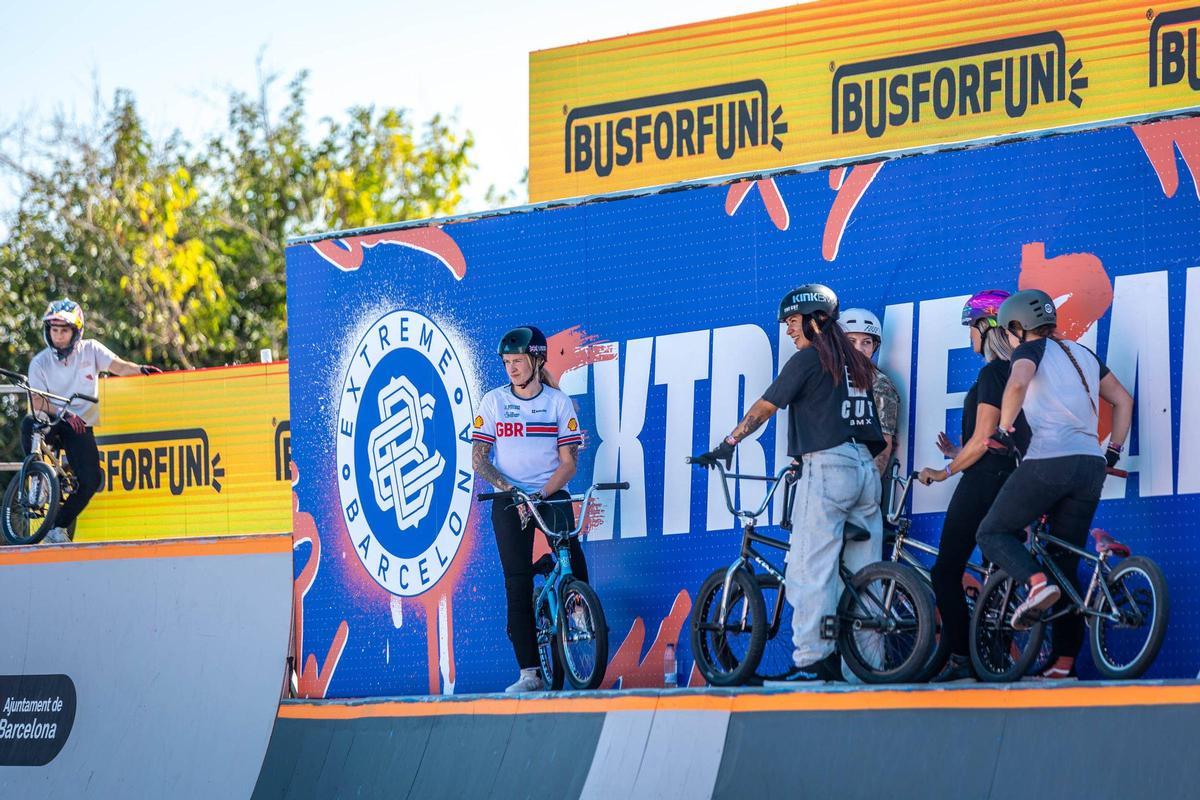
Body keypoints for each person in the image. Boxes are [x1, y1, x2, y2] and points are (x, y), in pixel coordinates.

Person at [697, 285, 885, 682]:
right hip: (865, 471)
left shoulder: (808, 359)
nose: (787, 330)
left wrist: (728, 443)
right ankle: (866, 669)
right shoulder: (855, 363)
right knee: (865, 576)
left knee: (808, 571)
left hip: (828, 467)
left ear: (815, 319)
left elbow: (765, 407)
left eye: (792, 321)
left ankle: (812, 661)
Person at [975, 289, 1133, 679]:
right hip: (1091, 466)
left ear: (1016, 328)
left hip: (1049, 458)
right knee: (1065, 561)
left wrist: (1006, 428)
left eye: (1008, 332)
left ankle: (1034, 582)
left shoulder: (1029, 350)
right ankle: (1063, 663)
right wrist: (1112, 452)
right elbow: (1123, 400)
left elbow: (1016, 385)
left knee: (993, 531)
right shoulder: (1082, 354)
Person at [915, 289, 1029, 682]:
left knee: (945, 572)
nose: (969, 337)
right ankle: (993, 658)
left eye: (972, 327)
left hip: (983, 481)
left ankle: (964, 657)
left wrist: (944, 472)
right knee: (994, 574)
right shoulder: (1020, 372)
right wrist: (958, 451)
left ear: (987, 327)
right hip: (1013, 481)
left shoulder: (992, 373)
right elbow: (998, 438)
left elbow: (985, 441)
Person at [470, 326, 586, 693]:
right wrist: (512, 490)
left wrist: (539, 495)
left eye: (518, 361)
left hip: (549, 494)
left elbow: (569, 464)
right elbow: (479, 460)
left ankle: (580, 613)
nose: (512, 369)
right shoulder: (493, 402)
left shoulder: (557, 403)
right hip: (508, 500)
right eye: (507, 363)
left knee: (573, 558)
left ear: (537, 360)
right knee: (516, 583)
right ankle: (530, 674)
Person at [24, 299, 161, 543]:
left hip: (81, 425)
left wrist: (141, 369)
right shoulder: (40, 362)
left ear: (76, 331)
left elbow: (118, 365)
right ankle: (37, 479)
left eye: (64, 331)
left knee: (91, 480)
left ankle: (58, 527)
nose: (59, 336)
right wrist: (64, 413)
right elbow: (37, 401)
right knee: (28, 424)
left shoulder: (91, 350)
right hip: (55, 419)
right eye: (54, 331)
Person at [839, 308, 900, 476]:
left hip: (860, 480)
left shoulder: (880, 383)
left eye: (866, 342)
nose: (858, 349)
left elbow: (884, 444)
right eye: (851, 341)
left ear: (874, 346)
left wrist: (870, 485)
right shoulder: (827, 379)